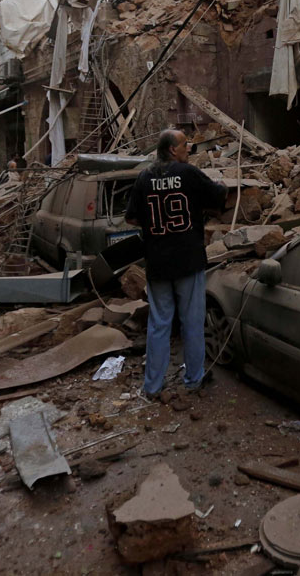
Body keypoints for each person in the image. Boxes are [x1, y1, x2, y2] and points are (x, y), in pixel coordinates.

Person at [125, 129, 228, 401]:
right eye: (185, 144)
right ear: (172, 149)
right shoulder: (187, 173)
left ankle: (153, 386)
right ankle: (193, 380)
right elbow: (219, 196)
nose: (188, 148)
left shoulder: (144, 177)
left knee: (159, 325)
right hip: (188, 260)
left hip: (157, 262)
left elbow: (132, 219)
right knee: (192, 322)